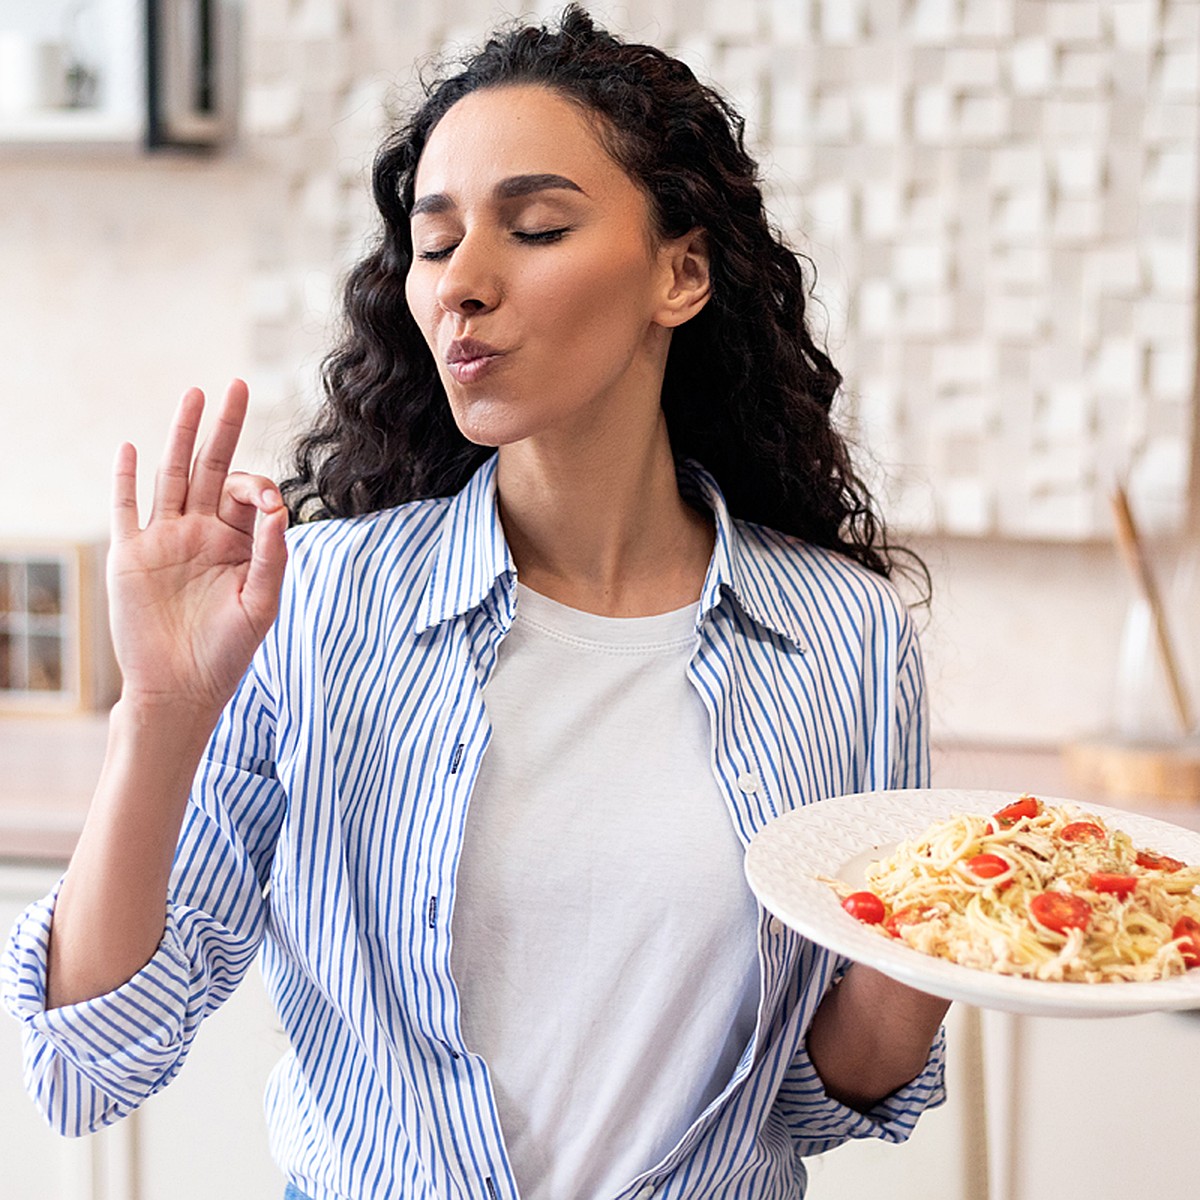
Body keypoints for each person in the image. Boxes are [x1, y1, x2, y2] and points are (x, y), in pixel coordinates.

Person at [3, 7, 948, 1198]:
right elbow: (89, 1064)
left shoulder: (841, 640)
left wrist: (954, 923)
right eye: (436, 245)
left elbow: (820, 1095)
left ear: (680, 272)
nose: (464, 287)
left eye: (538, 227)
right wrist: (161, 713)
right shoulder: (317, 605)